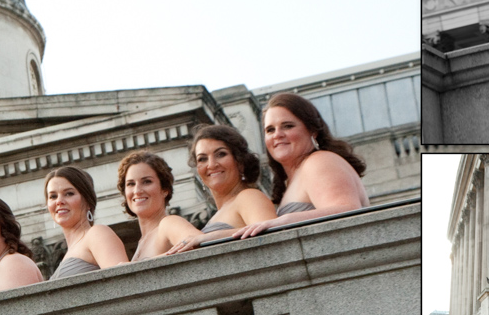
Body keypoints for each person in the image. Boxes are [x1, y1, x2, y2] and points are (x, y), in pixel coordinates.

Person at [234, 93, 369, 238]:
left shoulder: (319, 161)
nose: (277, 135)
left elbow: (348, 211)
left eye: (287, 126)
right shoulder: (295, 176)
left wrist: (284, 220)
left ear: (313, 131)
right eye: (270, 130)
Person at [166, 124, 276, 254]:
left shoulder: (249, 196)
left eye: (221, 154)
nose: (211, 165)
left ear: (240, 162)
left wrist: (209, 238)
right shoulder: (219, 213)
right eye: (202, 159)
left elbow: (271, 237)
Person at [44, 166, 129, 280]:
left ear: (88, 201)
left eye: (69, 193)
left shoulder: (97, 234)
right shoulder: (69, 252)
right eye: (53, 196)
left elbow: (124, 282)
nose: (59, 201)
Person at [118, 151, 202, 260]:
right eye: (131, 184)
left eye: (147, 181)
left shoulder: (168, 224)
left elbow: (200, 241)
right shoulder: (142, 242)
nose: (137, 190)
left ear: (164, 189)